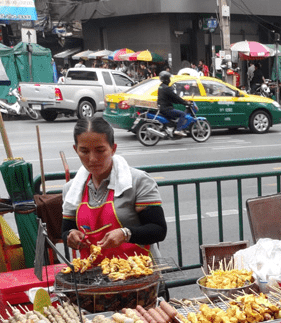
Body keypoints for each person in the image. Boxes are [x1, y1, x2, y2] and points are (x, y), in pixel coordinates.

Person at [62, 117, 167, 259]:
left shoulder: (138, 181)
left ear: (113, 149)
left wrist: (126, 234)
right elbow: (66, 229)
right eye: (84, 151)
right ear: (76, 150)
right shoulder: (72, 189)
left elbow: (158, 229)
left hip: (139, 270)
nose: (92, 159)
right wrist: (71, 235)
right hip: (95, 274)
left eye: (100, 150)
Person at [156, 71, 190, 137]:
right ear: (166, 79)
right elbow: (175, 97)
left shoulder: (161, 87)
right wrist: (184, 102)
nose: (170, 80)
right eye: (169, 78)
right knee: (182, 114)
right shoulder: (167, 88)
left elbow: (170, 98)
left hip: (162, 107)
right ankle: (178, 130)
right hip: (166, 109)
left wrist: (180, 101)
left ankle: (171, 128)